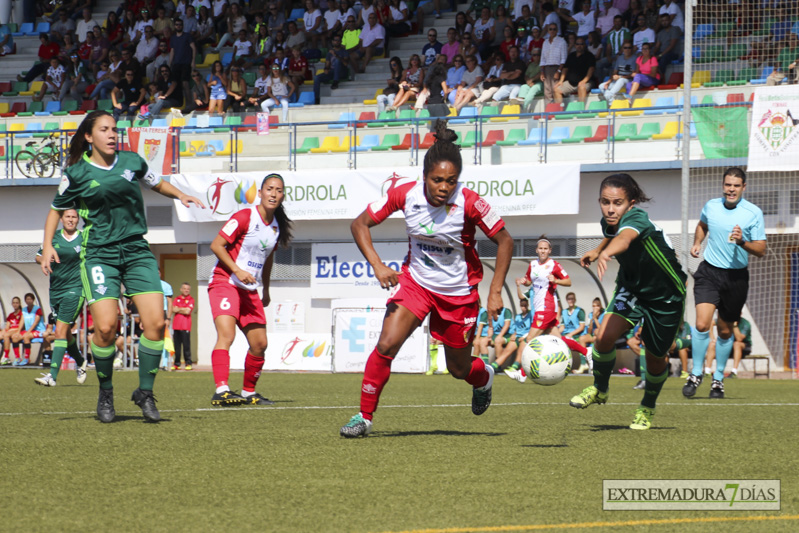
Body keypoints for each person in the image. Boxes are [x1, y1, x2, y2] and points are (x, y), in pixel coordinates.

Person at [340, 119, 513, 438]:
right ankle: (363, 417)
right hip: (416, 285)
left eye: (451, 180)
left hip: (459, 295)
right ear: (424, 177)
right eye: (437, 180)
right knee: (387, 344)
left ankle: (484, 378)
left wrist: (496, 291)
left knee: (458, 369)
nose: (444, 187)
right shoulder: (404, 194)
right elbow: (359, 224)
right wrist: (378, 265)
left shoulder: (471, 202)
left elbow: (505, 240)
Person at [40, 110, 204, 423]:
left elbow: (157, 184)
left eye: (115, 129)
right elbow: (55, 210)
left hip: (137, 251)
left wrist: (181, 195)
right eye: (105, 129)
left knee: (155, 324)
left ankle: (145, 392)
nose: (113, 134)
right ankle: (106, 391)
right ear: (89, 136)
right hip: (99, 254)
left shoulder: (132, 162)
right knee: (104, 328)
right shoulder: (75, 174)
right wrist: (48, 246)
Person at [571, 173, 687, 430]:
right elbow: (613, 232)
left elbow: (624, 238)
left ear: (631, 203)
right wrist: (599, 249)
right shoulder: (610, 220)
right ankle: (600, 390)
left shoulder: (637, 218)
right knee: (603, 337)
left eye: (617, 203)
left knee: (656, 358)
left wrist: (607, 253)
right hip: (632, 288)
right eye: (605, 202)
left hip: (665, 295)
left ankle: (647, 406)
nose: (610, 209)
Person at [208, 174, 293, 407]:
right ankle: (222, 390)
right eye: (269, 189)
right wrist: (236, 269)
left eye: (278, 190)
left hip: (250, 289)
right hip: (225, 281)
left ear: (283, 195)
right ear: (261, 192)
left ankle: (248, 392)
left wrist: (265, 289)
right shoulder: (245, 216)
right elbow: (216, 245)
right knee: (227, 335)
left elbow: (267, 260)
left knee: (260, 344)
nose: (273, 194)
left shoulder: (276, 227)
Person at [683, 167, 766, 400]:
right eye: (728, 185)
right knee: (701, 324)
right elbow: (702, 225)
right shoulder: (711, 206)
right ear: (723, 185)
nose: (731, 189)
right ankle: (696, 373)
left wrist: (742, 242)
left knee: (725, 329)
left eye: (736, 186)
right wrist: (698, 242)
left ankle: (718, 379)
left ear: (743, 188)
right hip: (709, 272)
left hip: (736, 278)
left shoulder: (753, 213)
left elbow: (761, 250)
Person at [503, 236, 571, 382]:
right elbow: (528, 281)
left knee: (529, 339)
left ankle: (521, 373)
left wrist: (557, 280)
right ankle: (587, 352)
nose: (543, 251)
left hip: (546, 308)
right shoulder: (532, 264)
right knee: (559, 340)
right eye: (540, 248)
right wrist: (523, 281)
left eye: (545, 248)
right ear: (536, 250)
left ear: (550, 250)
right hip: (539, 308)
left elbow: (568, 281)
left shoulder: (554, 265)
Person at [33, 209, 88, 387]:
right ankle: (81, 362)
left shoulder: (84, 238)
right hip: (55, 289)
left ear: (78, 220)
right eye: (68, 217)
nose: (71, 220)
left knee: (59, 331)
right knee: (64, 333)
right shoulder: (54, 237)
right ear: (62, 219)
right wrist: (44, 260)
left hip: (75, 289)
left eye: (74, 217)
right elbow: (38, 255)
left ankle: (52, 376)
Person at [490, 298, 532, 373]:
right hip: (518, 337)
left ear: (528, 305)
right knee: (507, 351)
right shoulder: (518, 316)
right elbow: (517, 329)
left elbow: (533, 329)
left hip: (527, 337)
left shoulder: (531, 314)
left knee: (521, 349)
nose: (523, 307)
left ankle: (515, 367)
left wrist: (524, 337)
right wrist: (514, 334)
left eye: (525, 305)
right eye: (522, 306)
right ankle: (493, 366)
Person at [554, 35, 595, 103]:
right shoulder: (571, 55)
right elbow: (565, 69)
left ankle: (581, 111)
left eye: (581, 44)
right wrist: (561, 81)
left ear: (584, 45)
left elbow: (591, 70)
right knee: (556, 89)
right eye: (577, 44)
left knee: (581, 87)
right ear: (575, 45)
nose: (579, 46)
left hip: (586, 82)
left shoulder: (590, 56)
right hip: (570, 83)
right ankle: (559, 112)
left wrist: (584, 81)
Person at [14, 293, 47, 366]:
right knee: (15, 337)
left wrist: (28, 332)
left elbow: (36, 322)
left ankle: (26, 358)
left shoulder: (37, 309)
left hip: (39, 331)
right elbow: (22, 321)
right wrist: (18, 332)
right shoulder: (24, 310)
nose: (28, 301)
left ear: (33, 300)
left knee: (26, 336)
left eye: (30, 299)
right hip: (29, 331)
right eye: (27, 299)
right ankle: (17, 358)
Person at [560, 292, 589, 372]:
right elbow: (562, 327)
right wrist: (555, 334)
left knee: (578, 341)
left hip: (577, 335)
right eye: (569, 299)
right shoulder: (564, 312)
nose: (571, 300)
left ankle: (583, 364)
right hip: (566, 335)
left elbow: (581, 327)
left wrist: (571, 334)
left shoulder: (580, 311)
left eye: (572, 298)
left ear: (575, 299)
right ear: (566, 300)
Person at [540, 23, 567, 103]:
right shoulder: (545, 42)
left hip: (557, 67)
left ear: (557, 30)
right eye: (550, 29)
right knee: (547, 92)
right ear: (548, 30)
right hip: (547, 69)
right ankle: (549, 112)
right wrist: (542, 72)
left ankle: (558, 111)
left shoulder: (562, 41)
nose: (552, 31)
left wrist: (558, 71)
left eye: (554, 29)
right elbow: (543, 59)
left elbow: (564, 59)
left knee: (556, 90)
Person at [171, 282, 195, 370]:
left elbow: (187, 311)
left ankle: (188, 363)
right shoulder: (177, 299)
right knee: (177, 347)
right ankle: (177, 364)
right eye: (184, 289)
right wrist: (182, 309)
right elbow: (173, 309)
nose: (186, 290)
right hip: (176, 326)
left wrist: (179, 309)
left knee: (186, 346)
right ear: (181, 289)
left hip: (186, 326)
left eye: (188, 289)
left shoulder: (191, 299)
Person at [0, 297, 23, 365]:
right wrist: (4, 330)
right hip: (10, 331)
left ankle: (6, 356)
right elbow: (7, 326)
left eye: (16, 303)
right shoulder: (11, 315)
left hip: (17, 330)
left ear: (19, 304)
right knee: (3, 334)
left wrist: (8, 332)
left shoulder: (22, 314)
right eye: (14, 303)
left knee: (6, 335)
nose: (15, 304)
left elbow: (21, 326)